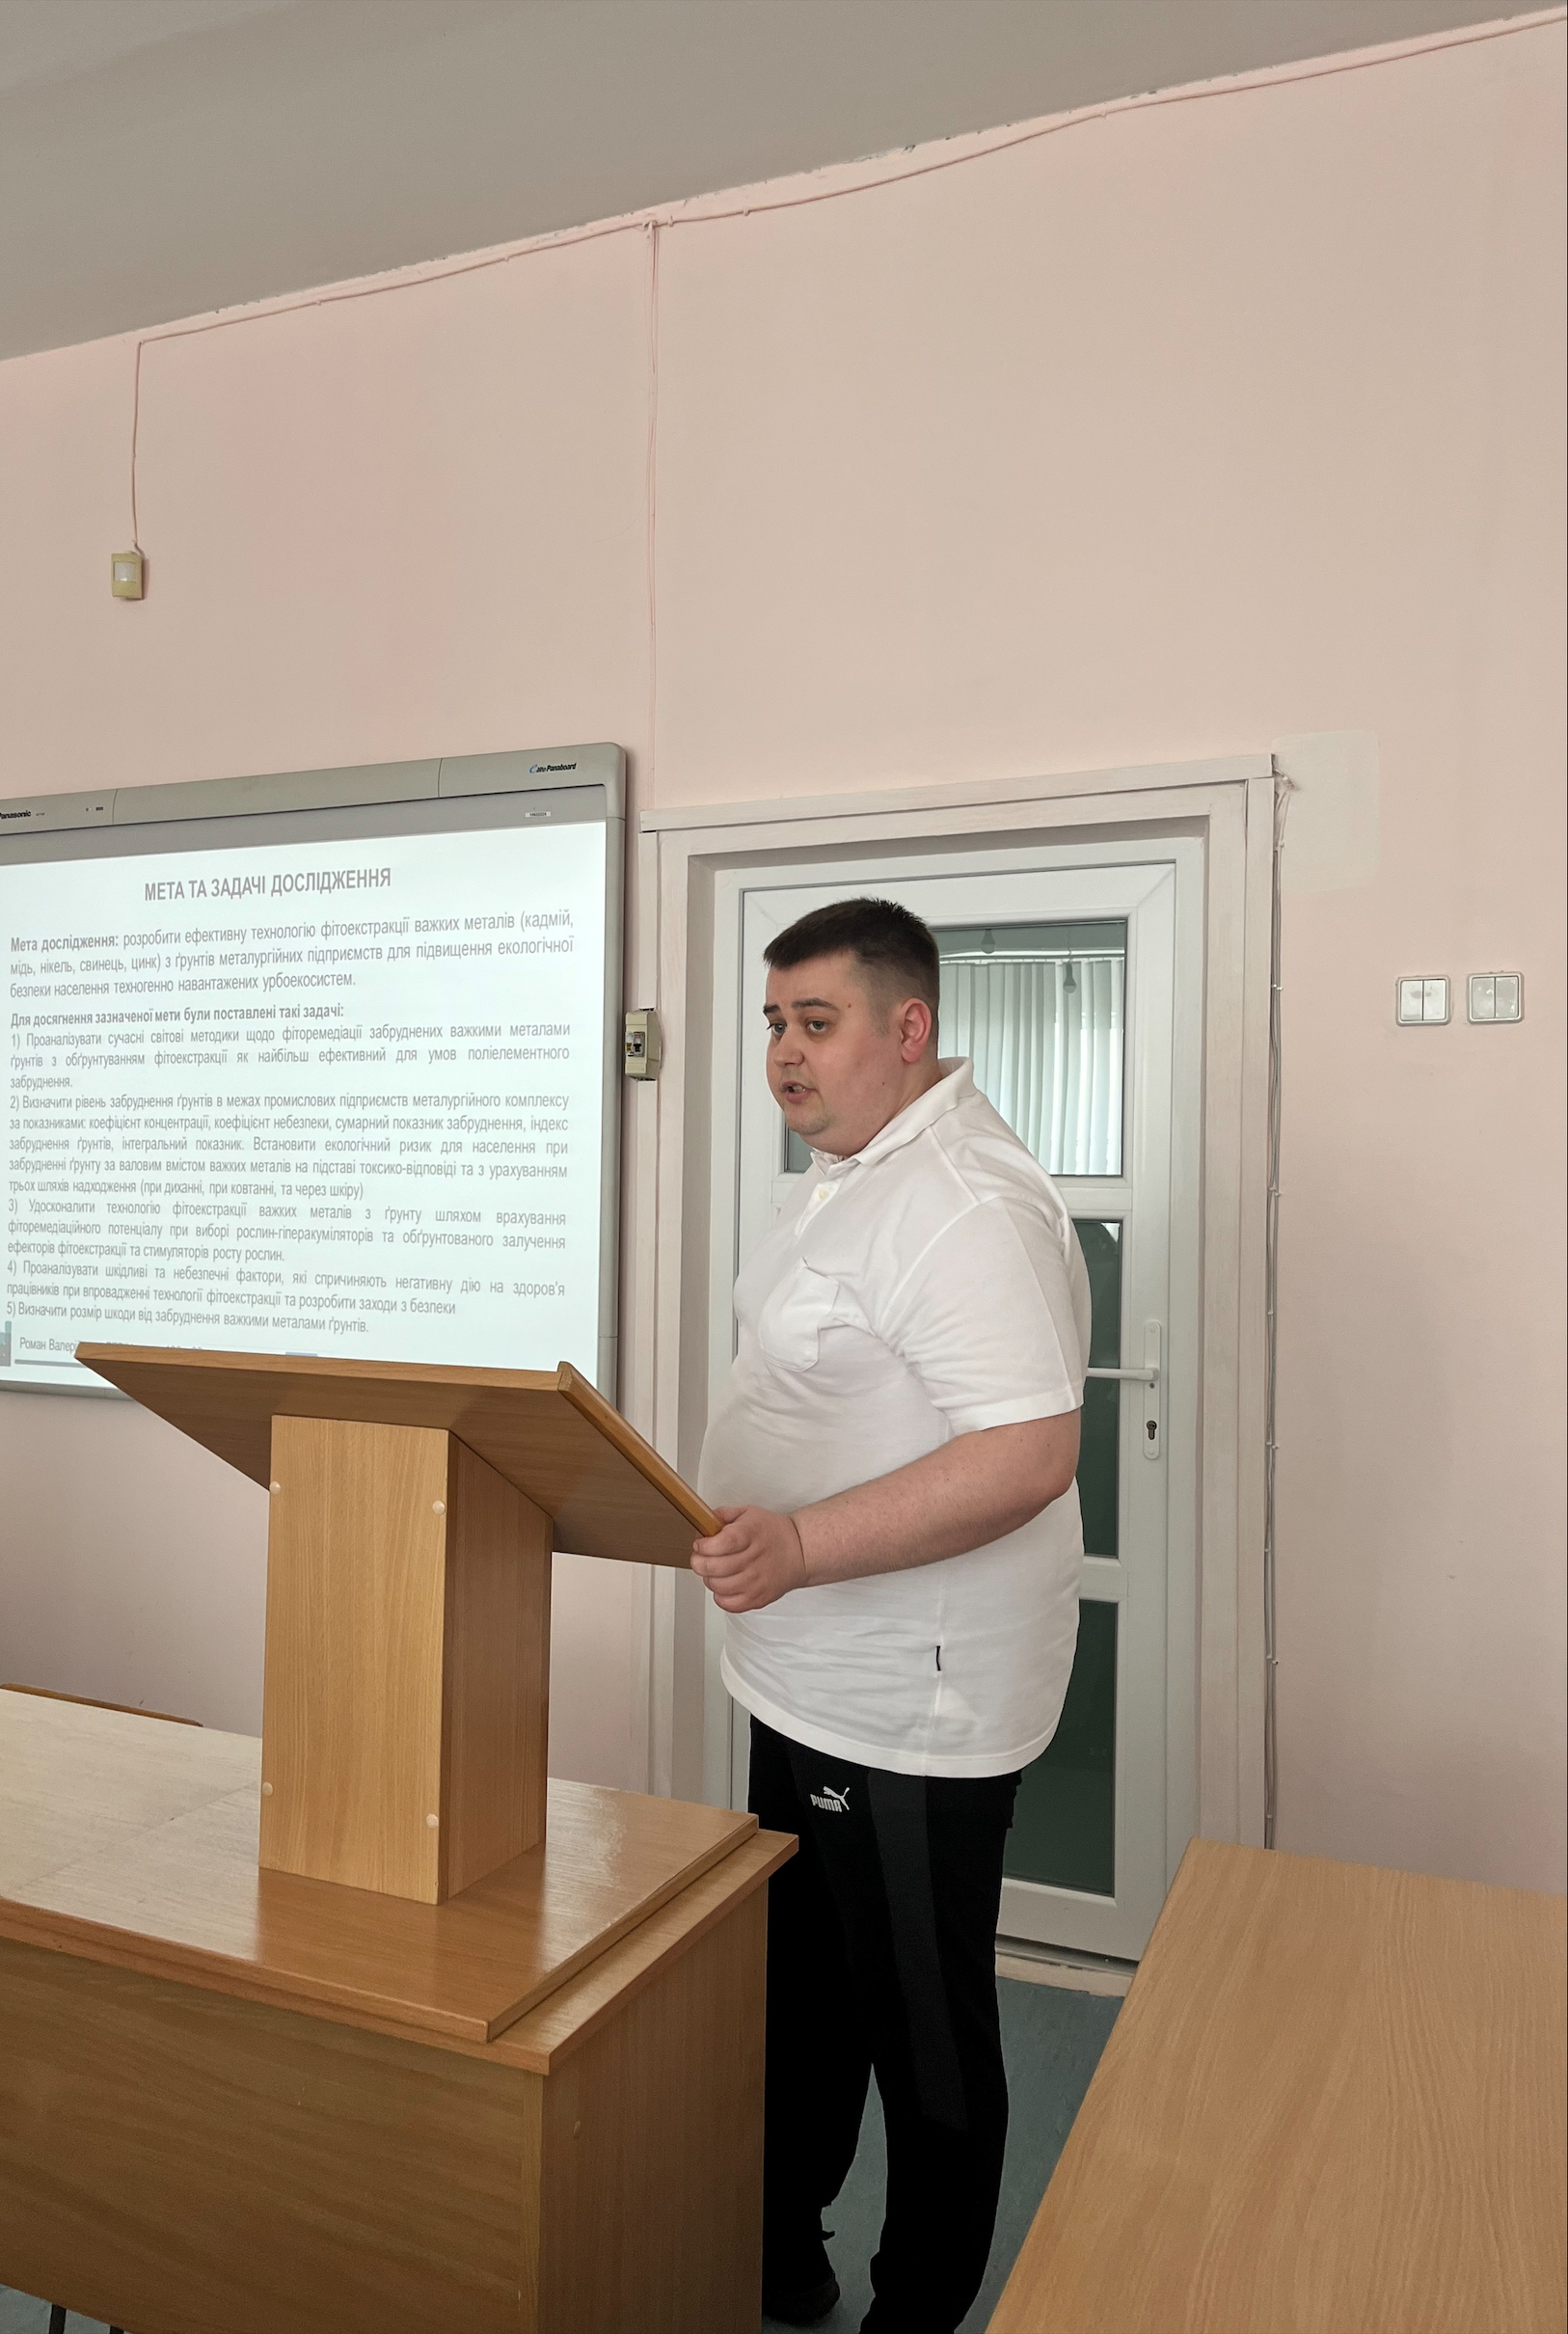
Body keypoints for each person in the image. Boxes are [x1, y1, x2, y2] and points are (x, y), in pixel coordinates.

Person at [691, 896, 1091, 2334]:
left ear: (908, 1028)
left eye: (817, 1023)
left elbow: (1028, 1456)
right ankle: (779, 2253)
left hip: (909, 1703)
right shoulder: (846, 1174)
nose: (784, 1055)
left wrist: (801, 1540)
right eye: (774, 1025)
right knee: (802, 1992)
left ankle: (913, 2311)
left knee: (921, 2028)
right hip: (801, 1671)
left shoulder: (966, 1203)